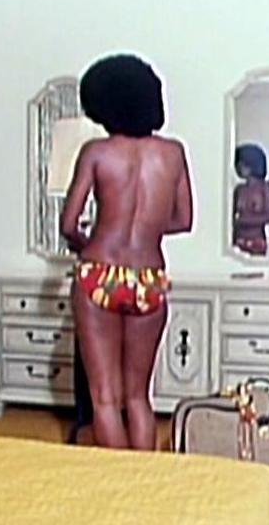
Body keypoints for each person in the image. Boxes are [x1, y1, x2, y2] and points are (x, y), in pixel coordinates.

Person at [60, 54, 193, 450]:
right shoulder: (173, 153)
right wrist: (146, 229)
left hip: (100, 270)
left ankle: (118, 481)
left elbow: (69, 223)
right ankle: (145, 480)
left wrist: (87, 242)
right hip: (148, 278)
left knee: (104, 398)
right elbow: (183, 219)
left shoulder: (97, 152)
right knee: (138, 396)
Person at [232, 143, 269, 256]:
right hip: (238, 239)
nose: (238, 167)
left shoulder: (265, 188)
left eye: (242, 164)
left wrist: (243, 221)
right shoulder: (239, 189)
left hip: (256, 240)